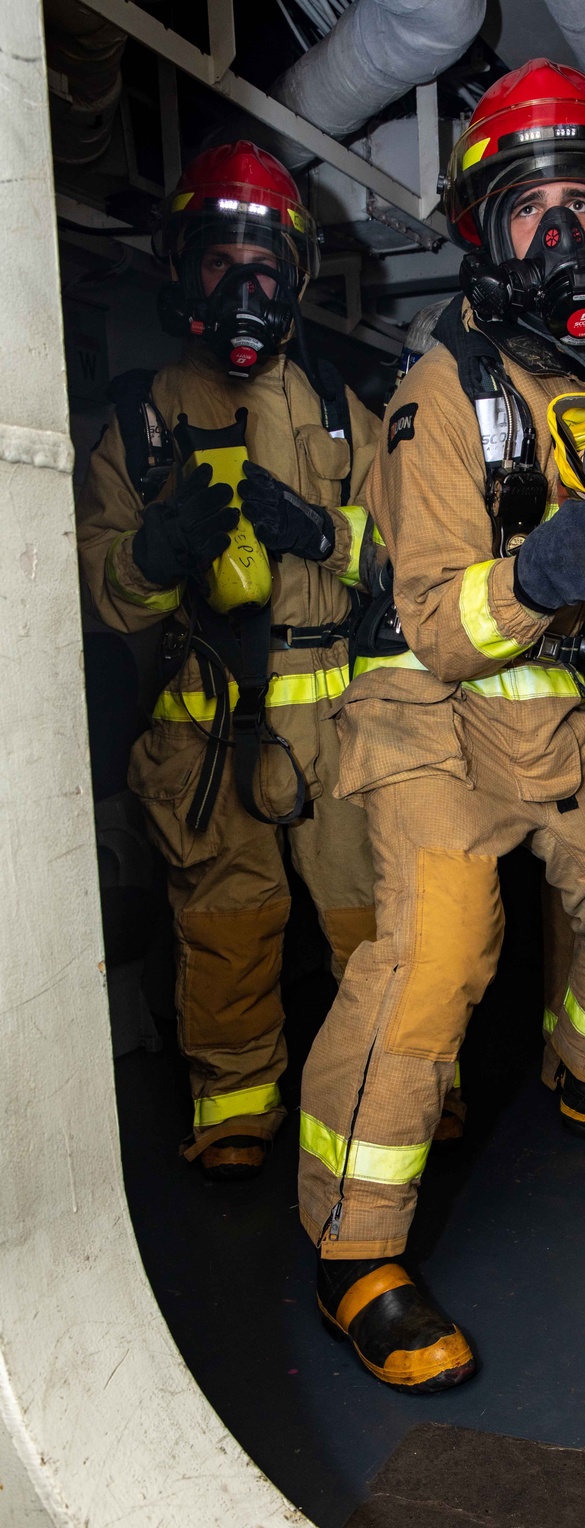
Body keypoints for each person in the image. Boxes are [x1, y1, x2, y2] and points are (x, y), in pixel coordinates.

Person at [297, 58, 585, 1393]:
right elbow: (427, 620)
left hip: (563, 716)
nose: (564, 241)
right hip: (430, 714)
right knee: (437, 963)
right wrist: (539, 577)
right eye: (533, 215)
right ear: (486, 236)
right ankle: (354, 1252)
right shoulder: (442, 384)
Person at [77, 142, 379, 1180]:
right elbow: (98, 596)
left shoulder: (346, 411)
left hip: (340, 724)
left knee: (371, 921)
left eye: (266, 263)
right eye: (221, 260)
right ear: (182, 269)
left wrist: (321, 532)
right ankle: (236, 1109)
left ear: (295, 276)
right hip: (202, 728)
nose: (245, 286)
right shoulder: (138, 422)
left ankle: (398, 1090)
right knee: (227, 927)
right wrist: (154, 556)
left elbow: (418, 555)